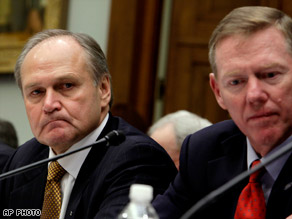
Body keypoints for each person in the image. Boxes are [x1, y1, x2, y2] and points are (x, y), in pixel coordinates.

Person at [0, 29, 177, 218]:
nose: (49, 105)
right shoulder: (26, 159)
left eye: (66, 86)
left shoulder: (138, 159)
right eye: (37, 92)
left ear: (103, 89)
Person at [153, 6, 292, 219]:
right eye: (236, 82)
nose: (254, 95)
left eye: (270, 74)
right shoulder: (204, 150)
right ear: (218, 91)